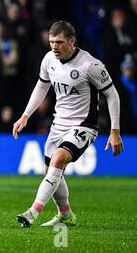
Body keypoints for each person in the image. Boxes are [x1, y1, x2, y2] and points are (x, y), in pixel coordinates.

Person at [12, 20, 124, 227]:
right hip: (58, 124)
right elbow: (41, 87)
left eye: (59, 42)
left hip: (84, 125)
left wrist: (114, 130)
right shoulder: (48, 60)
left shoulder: (90, 65)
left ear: (72, 41)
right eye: (51, 42)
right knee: (51, 172)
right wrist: (25, 115)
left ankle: (32, 213)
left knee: (58, 159)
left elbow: (112, 94)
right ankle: (66, 215)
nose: (54, 46)